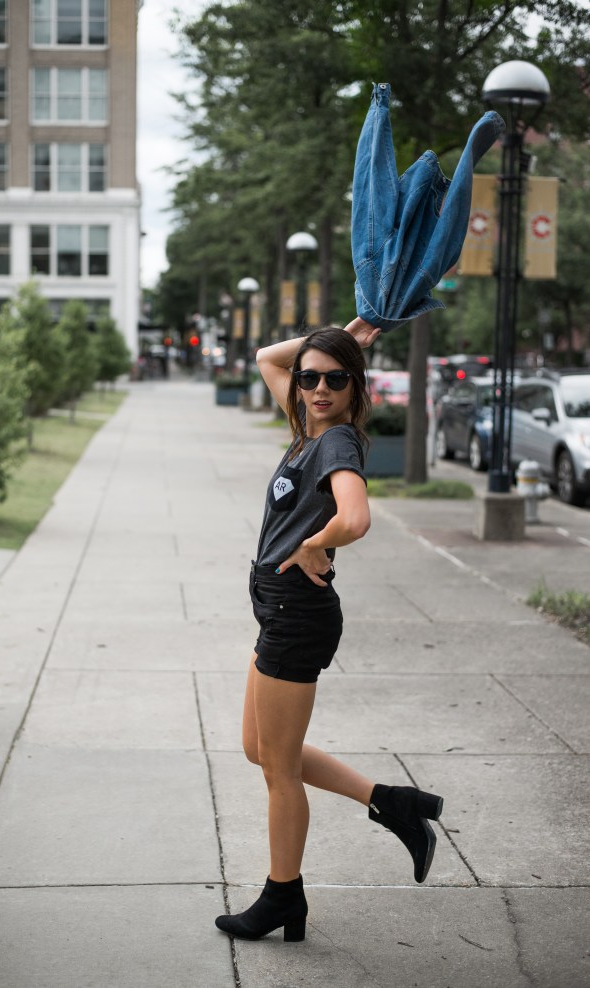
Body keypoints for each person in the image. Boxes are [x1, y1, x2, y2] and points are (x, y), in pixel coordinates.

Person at [214, 317, 444, 943]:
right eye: (310, 378)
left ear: (355, 388)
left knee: (278, 768)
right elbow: (267, 357)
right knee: (260, 749)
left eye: (336, 380)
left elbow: (357, 518)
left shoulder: (337, 442)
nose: (319, 389)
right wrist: (342, 337)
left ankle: (282, 896)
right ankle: (392, 802)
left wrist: (316, 543)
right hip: (278, 609)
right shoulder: (305, 430)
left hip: (297, 614)